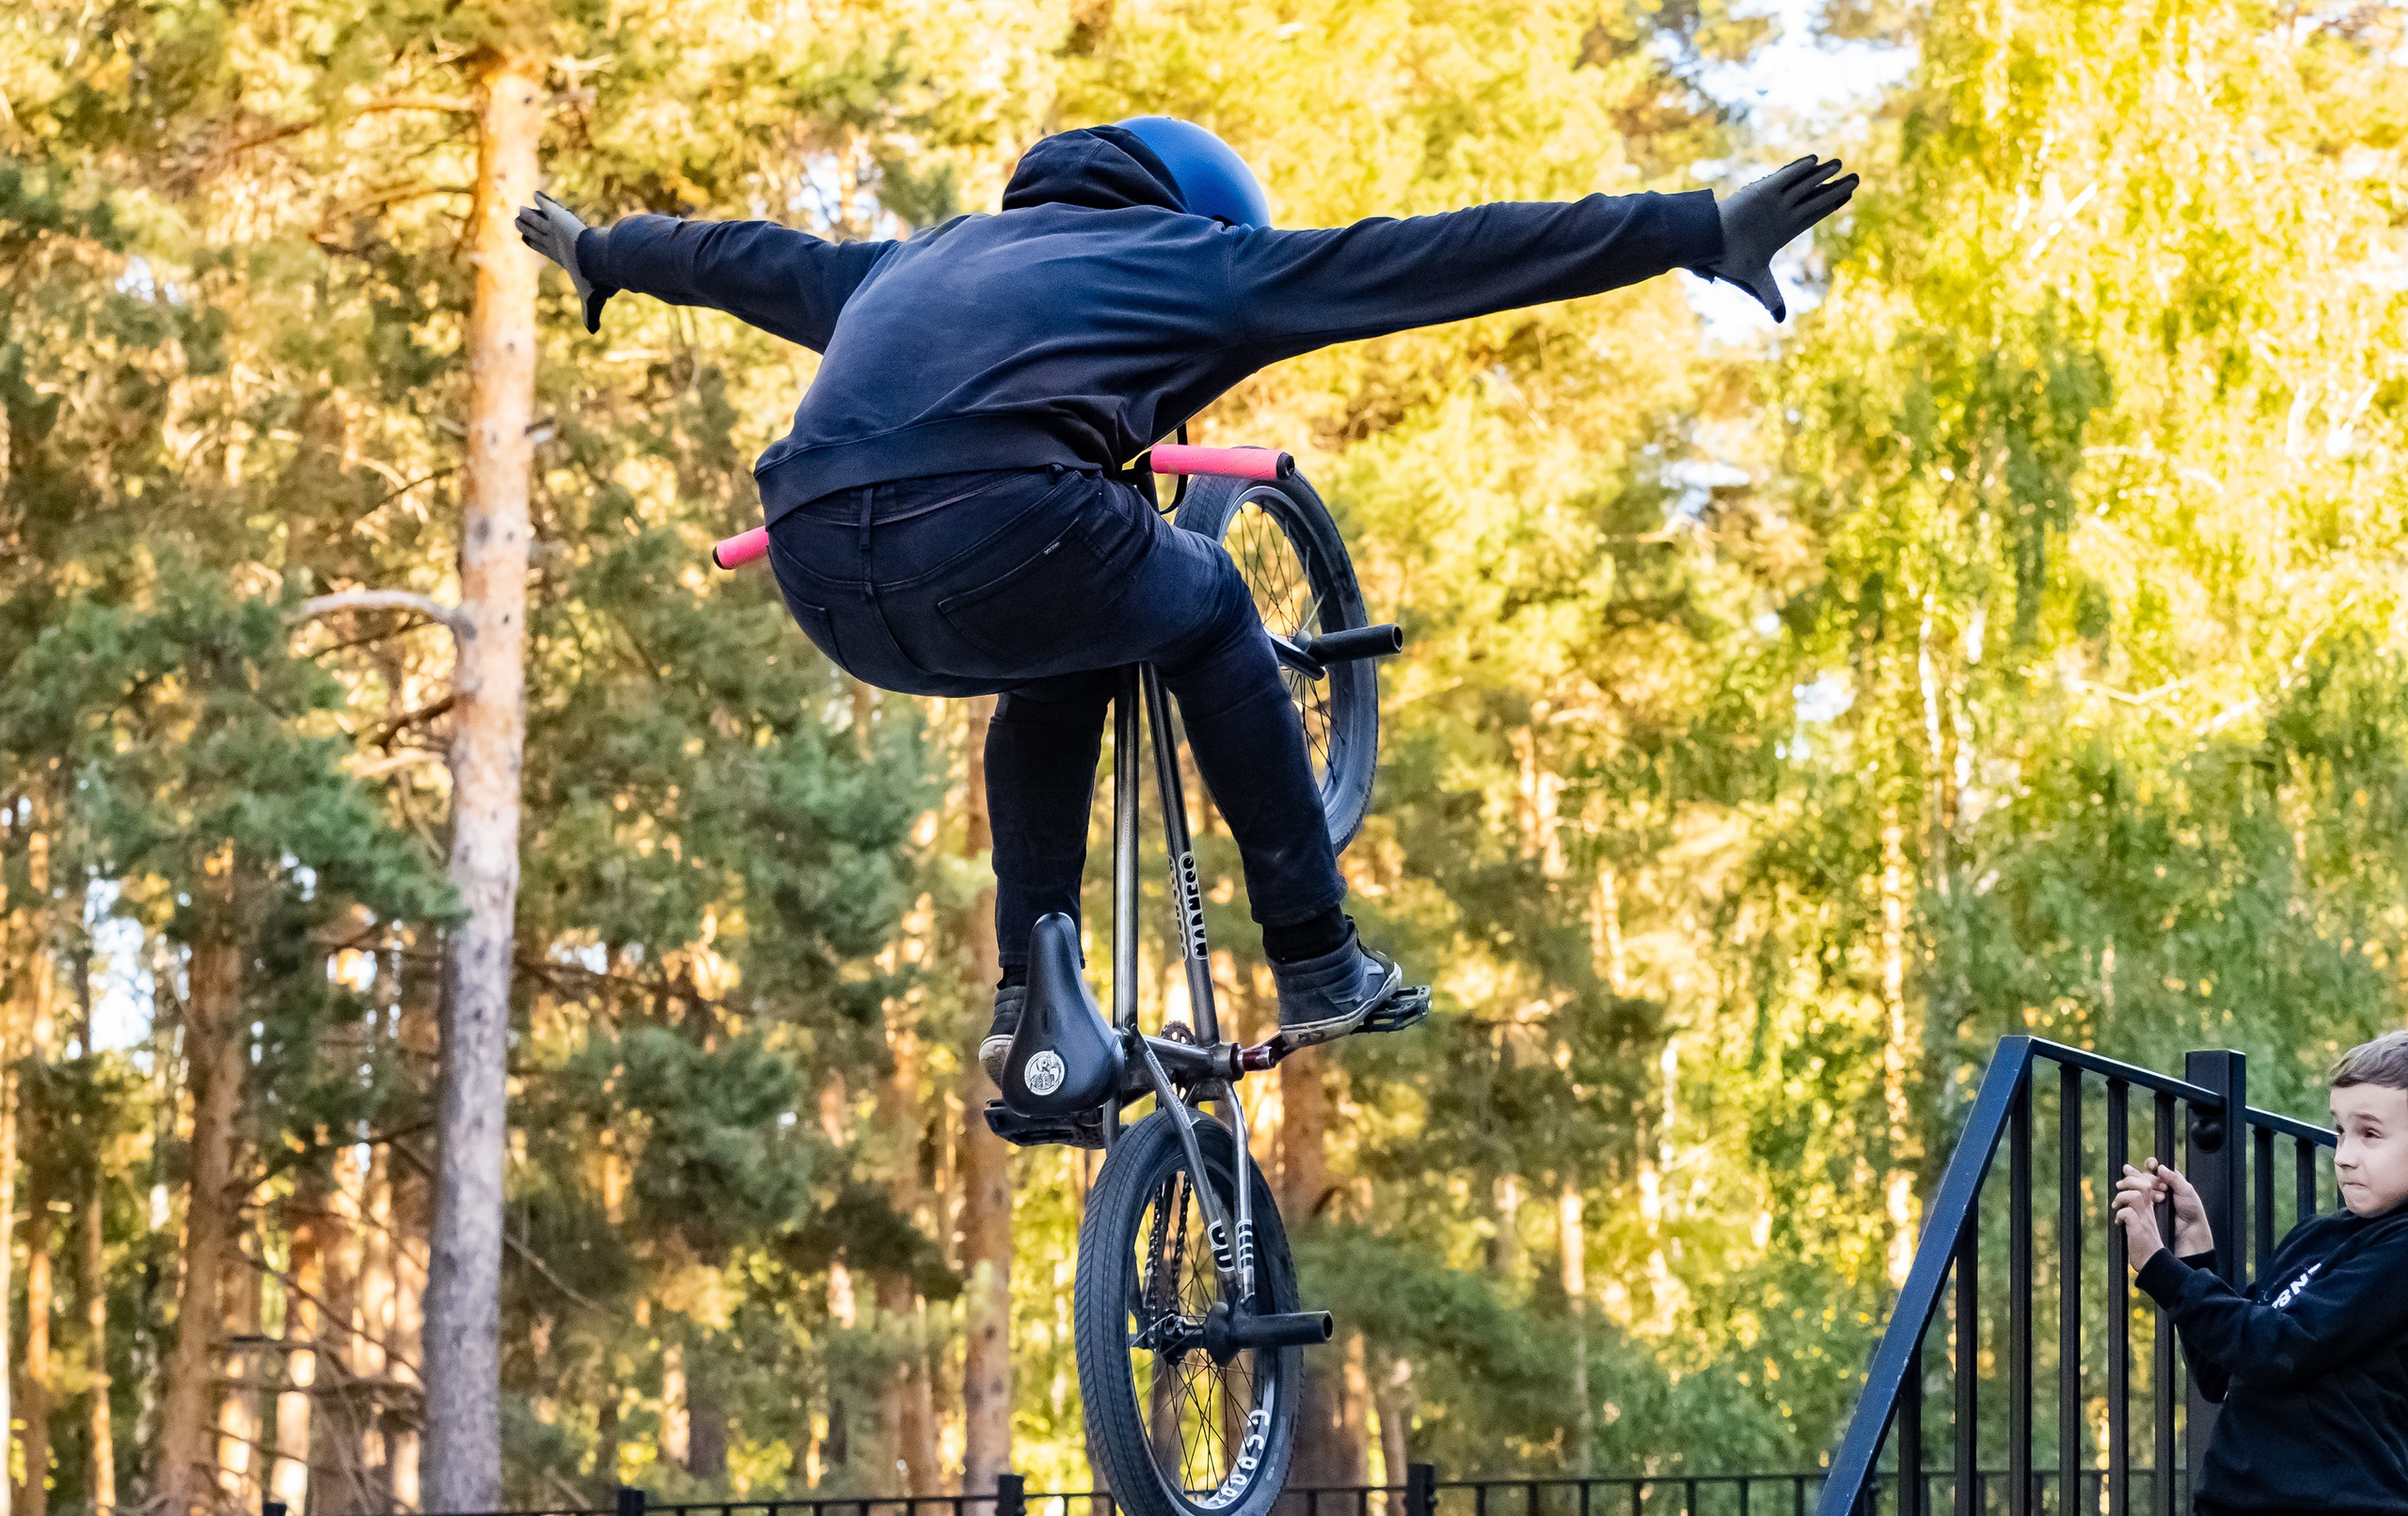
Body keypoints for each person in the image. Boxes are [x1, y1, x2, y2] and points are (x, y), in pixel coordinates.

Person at [516, 120, 1856, 1079]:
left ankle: (1025, 1000)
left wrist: (609, 254)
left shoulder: (915, 260)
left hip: (819, 563)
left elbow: (746, 256)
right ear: (1200, 213)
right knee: (1207, 595)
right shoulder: (1194, 262)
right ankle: (1319, 958)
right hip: (1005, 524)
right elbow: (1430, 260)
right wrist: (1694, 229)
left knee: (1062, 656)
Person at [2113, 1033, 2408, 1516]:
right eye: (2341, 1130)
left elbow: (2281, 1345)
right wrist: (2195, 1250)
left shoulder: (2399, 1252)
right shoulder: (2316, 1238)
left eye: (2370, 1134)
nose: (2345, 1153)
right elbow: (2223, 1370)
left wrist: (2158, 1268)